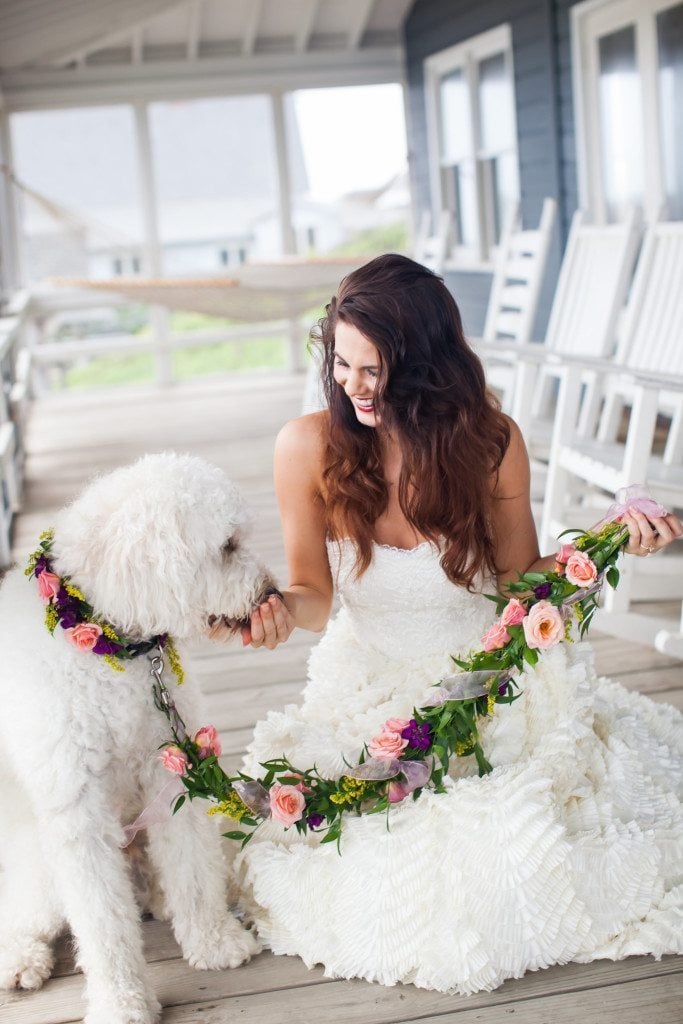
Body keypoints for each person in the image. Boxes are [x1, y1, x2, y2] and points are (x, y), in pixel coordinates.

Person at [233, 254, 683, 994]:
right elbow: (313, 592)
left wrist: (602, 542)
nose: (351, 385)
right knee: (361, 840)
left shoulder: (490, 442)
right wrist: (280, 613)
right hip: (373, 682)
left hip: (487, 675)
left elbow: (516, 581)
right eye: (341, 364)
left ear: (424, 365)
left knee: (519, 840)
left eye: (372, 369)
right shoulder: (308, 446)